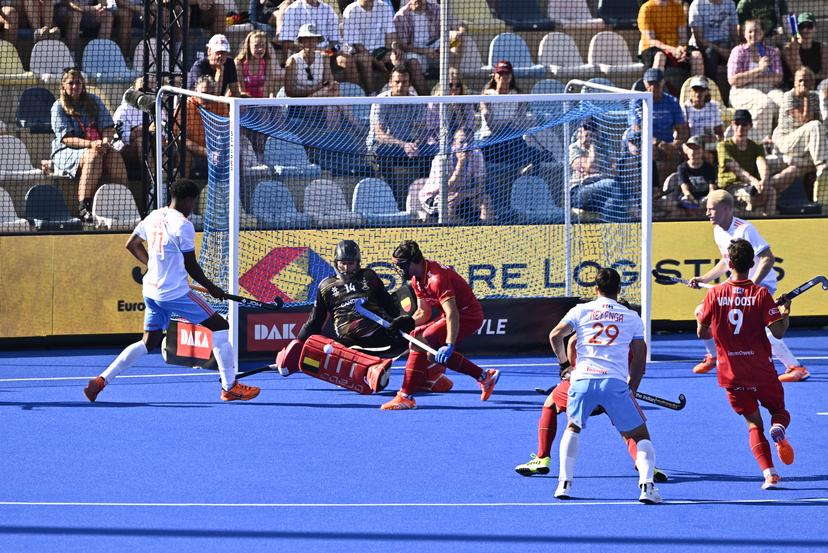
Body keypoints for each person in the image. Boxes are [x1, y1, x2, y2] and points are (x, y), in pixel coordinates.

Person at [83, 178, 261, 403]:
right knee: (220, 326)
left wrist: (153, 266)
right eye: (193, 203)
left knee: (149, 342)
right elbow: (191, 265)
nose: (192, 207)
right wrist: (212, 288)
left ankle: (101, 381)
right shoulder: (183, 224)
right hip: (175, 294)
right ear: (188, 200)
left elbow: (132, 244)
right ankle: (229, 387)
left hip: (151, 291)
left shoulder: (154, 216)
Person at [548, 267, 661, 503]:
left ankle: (564, 485)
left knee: (573, 427)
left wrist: (564, 367)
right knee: (640, 435)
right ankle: (647, 487)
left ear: (595, 289)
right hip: (614, 382)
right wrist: (633, 388)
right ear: (619, 290)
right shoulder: (631, 317)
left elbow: (555, 336)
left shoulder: (580, 310)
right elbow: (640, 359)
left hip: (582, 380)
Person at [696, 238, 795, 489]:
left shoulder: (715, 294)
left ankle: (769, 474)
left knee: (753, 423)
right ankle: (779, 427)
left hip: (732, 373)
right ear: (752, 264)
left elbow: (702, 333)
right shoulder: (761, 294)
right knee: (779, 411)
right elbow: (779, 332)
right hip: (761, 369)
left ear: (729, 263)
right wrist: (785, 313)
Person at [515, 326, 669, 484]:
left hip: (585, 384)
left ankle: (542, 458)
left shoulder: (597, 322)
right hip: (614, 388)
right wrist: (629, 391)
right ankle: (643, 463)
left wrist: (570, 369)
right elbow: (636, 369)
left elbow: (572, 341)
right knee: (630, 431)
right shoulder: (633, 336)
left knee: (550, 404)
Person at [295, 239, 454, 392]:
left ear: (358, 263)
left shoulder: (368, 276)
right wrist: (296, 345)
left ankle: (427, 377)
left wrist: (401, 322)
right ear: (336, 263)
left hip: (381, 333)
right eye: (343, 263)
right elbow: (314, 322)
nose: (347, 268)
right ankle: (369, 371)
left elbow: (389, 305)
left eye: (351, 264)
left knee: (425, 337)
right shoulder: (325, 287)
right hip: (351, 342)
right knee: (329, 350)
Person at [688, 189, 808, 382]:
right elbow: (726, 261)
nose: (707, 213)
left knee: (761, 327)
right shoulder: (718, 230)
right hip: (739, 285)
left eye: (711, 209)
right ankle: (714, 357)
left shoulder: (745, 230)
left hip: (761, 285)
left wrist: (750, 286)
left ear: (725, 209)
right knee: (701, 311)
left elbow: (768, 258)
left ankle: (796, 367)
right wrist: (704, 278)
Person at [380, 240, 500, 410]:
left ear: (415, 261)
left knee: (423, 340)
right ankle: (485, 377)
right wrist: (405, 323)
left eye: (402, 265)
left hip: (468, 316)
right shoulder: (417, 280)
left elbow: (453, 313)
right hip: (453, 315)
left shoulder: (436, 278)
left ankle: (405, 396)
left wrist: (450, 344)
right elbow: (424, 312)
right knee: (428, 351)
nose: (399, 270)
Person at [51, 68, 128, 223]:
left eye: (78, 83)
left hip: (97, 145)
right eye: (70, 83)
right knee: (93, 155)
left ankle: (122, 201)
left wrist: (105, 142)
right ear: (63, 86)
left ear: (83, 85)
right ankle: (84, 207)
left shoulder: (93, 101)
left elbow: (107, 128)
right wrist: (92, 144)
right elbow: (66, 139)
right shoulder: (58, 106)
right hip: (67, 150)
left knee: (113, 154)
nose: (74, 86)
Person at [367, 65, 435, 209]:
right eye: (397, 82)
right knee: (382, 154)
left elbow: (423, 130)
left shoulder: (415, 101)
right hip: (384, 146)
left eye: (404, 82)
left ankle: (423, 200)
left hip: (407, 144)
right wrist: (403, 144)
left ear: (410, 84)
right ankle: (392, 201)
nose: (400, 85)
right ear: (390, 82)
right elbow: (379, 134)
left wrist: (416, 143)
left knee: (429, 154)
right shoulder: (381, 101)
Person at [771, 67, 828, 198]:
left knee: (819, 127)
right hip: (786, 142)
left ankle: (820, 194)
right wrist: (806, 98)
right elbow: (805, 120)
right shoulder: (788, 97)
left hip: (804, 143)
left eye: (806, 81)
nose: (803, 84)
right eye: (800, 81)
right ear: (794, 82)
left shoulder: (815, 97)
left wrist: (809, 97)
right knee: (814, 125)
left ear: (812, 83)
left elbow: (819, 122)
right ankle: (821, 166)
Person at [716, 109, 786, 214]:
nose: (740, 127)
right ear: (732, 125)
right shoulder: (723, 146)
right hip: (730, 188)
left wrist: (764, 180)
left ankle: (769, 224)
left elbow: (761, 163)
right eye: (737, 123)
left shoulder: (756, 146)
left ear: (750, 126)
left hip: (751, 186)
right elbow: (737, 169)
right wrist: (753, 181)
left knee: (770, 192)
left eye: (744, 124)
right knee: (749, 194)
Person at [629, 67, 689, 186]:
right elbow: (637, 129)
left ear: (663, 83)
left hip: (667, 144)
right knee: (651, 150)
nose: (654, 87)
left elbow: (682, 130)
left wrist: (675, 144)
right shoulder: (637, 101)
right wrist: (656, 142)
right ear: (645, 83)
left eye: (657, 83)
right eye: (650, 83)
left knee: (689, 152)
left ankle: (685, 189)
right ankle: (653, 189)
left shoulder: (672, 101)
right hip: (642, 142)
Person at [727, 19, 783, 143]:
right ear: (745, 34)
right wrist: (759, 69)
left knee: (784, 102)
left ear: (763, 33)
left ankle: (780, 142)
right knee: (765, 104)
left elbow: (778, 78)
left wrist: (748, 77)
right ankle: (759, 144)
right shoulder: (738, 51)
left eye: (757, 31)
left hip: (768, 88)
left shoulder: (771, 52)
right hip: (741, 91)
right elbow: (733, 80)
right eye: (750, 31)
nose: (753, 34)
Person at [392, 0, 465, 96]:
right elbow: (404, 46)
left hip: (436, 48)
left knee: (456, 37)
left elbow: (456, 26)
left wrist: (461, 31)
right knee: (412, 63)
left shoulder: (436, 8)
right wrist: (426, 51)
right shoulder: (401, 16)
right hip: (415, 51)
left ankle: (453, 78)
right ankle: (428, 100)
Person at [279, 0, 359, 85]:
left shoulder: (328, 10)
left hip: (327, 54)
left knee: (347, 60)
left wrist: (325, 53)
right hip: (301, 55)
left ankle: (357, 96)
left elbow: (336, 45)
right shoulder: (292, 10)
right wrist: (308, 51)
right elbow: (287, 42)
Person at [420, 128, 490, 223]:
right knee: (450, 203)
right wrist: (460, 163)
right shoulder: (442, 158)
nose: (466, 146)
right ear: (454, 144)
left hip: (462, 193)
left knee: (485, 200)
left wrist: (462, 195)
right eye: (462, 142)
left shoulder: (476, 154)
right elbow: (445, 189)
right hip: (435, 196)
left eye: (469, 142)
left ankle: (485, 231)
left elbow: (480, 187)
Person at [638, 0, 702, 84]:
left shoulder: (677, 7)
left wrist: (681, 48)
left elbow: (682, 37)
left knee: (697, 55)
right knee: (660, 56)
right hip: (652, 49)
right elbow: (651, 40)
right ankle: (656, 90)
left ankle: (696, 89)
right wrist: (672, 50)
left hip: (676, 49)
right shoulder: (646, 9)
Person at [342, 0, 397, 94]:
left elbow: (391, 35)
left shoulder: (384, 7)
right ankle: (371, 93)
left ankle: (399, 94)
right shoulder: (350, 11)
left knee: (397, 58)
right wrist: (377, 62)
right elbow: (357, 45)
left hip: (381, 51)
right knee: (365, 59)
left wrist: (390, 51)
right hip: (358, 53)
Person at [688, 0, 739, 80]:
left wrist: (735, 49)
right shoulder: (697, 4)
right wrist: (721, 50)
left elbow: (734, 34)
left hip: (725, 43)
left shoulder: (730, 3)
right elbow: (699, 39)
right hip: (703, 46)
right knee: (711, 53)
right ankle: (711, 87)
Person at [681, 75, 723, 157]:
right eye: (695, 90)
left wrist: (715, 138)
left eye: (701, 90)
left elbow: (720, 132)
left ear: (707, 91)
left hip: (709, 146)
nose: (698, 94)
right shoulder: (684, 108)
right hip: (691, 147)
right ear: (690, 91)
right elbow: (683, 135)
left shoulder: (713, 106)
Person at [782, 13, 828, 87]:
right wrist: (795, 50)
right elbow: (797, 73)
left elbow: (825, 74)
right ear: (797, 29)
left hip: (819, 86)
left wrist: (809, 77)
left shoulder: (823, 48)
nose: (805, 29)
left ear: (815, 28)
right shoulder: (788, 49)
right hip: (797, 86)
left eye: (809, 26)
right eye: (802, 26)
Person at [235, 30, 282, 98]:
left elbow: (270, 89)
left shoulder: (267, 62)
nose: (260, 49)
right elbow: (241, 91)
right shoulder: (239, 63)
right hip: (242, 101)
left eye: (263, 46)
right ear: (248, 46)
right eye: (256, 46)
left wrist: (270, 102)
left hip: (260, 101)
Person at [676, 135, 716, 210]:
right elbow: (685, 188)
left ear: (702, 150)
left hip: (705, 198)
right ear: (687, 150)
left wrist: (709, 198)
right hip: (690, 198)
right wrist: (691, 198)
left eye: (696, 148)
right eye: (690, 148)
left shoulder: (709, 167)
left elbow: (712, 187)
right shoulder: (682, 168)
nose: (693, 151)